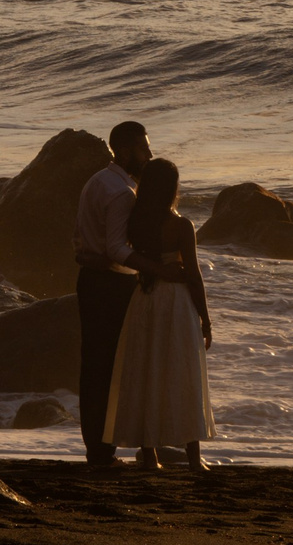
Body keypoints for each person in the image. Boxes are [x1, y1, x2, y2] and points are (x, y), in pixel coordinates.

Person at [106, 157, 216, 472]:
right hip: (177, 302)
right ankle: (194, 459)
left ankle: (150, 455)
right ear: (172, 189)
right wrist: (206, 320)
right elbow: (193, 276)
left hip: (145, 298)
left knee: (147, 370)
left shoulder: (136, 224)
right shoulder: (181, 226)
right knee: (183, 373)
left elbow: (127, 255)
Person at [71, 120, 151, 465]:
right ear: (124, 150)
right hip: (112, 285)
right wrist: (154, 268)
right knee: (112, 368)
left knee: (94, 367)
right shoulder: (122, 192)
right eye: (143, 148)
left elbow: (80, 238)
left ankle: (97, 447)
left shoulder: (96, 181)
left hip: (90, 279)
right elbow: (118, 249)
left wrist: (91, 256)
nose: (148, 155)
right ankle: (105, 448)